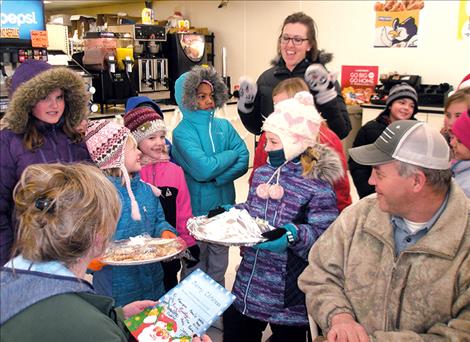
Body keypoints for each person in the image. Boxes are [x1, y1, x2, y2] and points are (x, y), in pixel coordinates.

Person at [0, 163, 213, 342]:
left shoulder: (15, 281)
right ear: (99, 237)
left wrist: (116, 318)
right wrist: (105, 325)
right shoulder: (91, 330)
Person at [299, 120, 470, 341]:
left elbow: (461, 334)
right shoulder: (360, 215)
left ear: (416, 181)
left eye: (379, 174)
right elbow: (318, 274)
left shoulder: (464, 241)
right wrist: (339, 317)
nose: (370, 180)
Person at [223, 93, 343, 342]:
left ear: (295, 142)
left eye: (274, 142)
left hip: (288, 291)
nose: (266, 148)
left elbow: (326, 236)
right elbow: (255, 211)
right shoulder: (264, 173)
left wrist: (292, 234)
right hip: (249, 281)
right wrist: (233, 213)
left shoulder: (317, 184)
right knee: (236, 330)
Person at [0, 59, 90, 266]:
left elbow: (90, 191)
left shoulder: (72, 137)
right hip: (29, 251)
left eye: (59, 97)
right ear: (27, 101)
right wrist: (8, 262)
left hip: (72, 248)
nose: (54, 105)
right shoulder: (9, 141)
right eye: (45, 98)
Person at [171, 65, 249, 286]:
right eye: (201, 96)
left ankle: (217, 317)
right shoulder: (182, 132)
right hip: (196, 213)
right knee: (194, 267)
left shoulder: (223, 125)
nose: (209, 101)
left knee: (218, 266)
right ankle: (190, 315)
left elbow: (244, 160)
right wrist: (230, 153)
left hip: (224, 209)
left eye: (211, 95)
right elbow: (202, 169)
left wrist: (218, 177)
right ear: (187, 99)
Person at [85, 119, 177, 306]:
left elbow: (158, 219)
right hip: (117, 290)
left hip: (152, 280)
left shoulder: (146, 190)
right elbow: (82, 238)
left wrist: (164, 231)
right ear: (115, 157)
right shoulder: (97, 198)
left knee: (151, 327)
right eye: (133, 149)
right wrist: (89, 261)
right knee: (123, 332)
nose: (139, 153)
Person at [237, 12, 351, 140]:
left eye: (298, 39)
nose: (289, 45)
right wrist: (245, 106)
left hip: (310, 157)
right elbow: (256, 128)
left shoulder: (320, 80)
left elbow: (342, 131)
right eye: (285, 38)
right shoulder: (266, 79)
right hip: (273, 155)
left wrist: (326, 99)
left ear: (310, 45)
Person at [124, 106, 200, 291]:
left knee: (168, 287)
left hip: (168, 251)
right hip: (138, 256)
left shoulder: (175, 172)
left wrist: (188, 242)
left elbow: (183, 211)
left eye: (161, 136)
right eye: (151, 137)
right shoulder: (130, 175)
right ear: (135, 141)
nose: (159, 142)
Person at [250, 77, 352, 212]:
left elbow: (340, 187)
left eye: (285, 105)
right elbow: (257, 174)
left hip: (318, 218)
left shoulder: (327, 138)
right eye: (276, 106)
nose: (279, 112)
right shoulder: (268, 136)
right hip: (276, 214)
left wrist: (340, 219)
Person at [349, 82, 418, 198]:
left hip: (405, 194)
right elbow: (357, 163)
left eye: (412, 106)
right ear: (390, 105)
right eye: (402, 102)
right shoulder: (370, 129)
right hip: (374, 191)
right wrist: (367, 190)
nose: (406, 108)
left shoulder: (416, 132)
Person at [450, 110, 470, 197]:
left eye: (459, 141)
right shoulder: (458, 166)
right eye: (453, 136)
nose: (452, 143)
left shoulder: (466, 189)